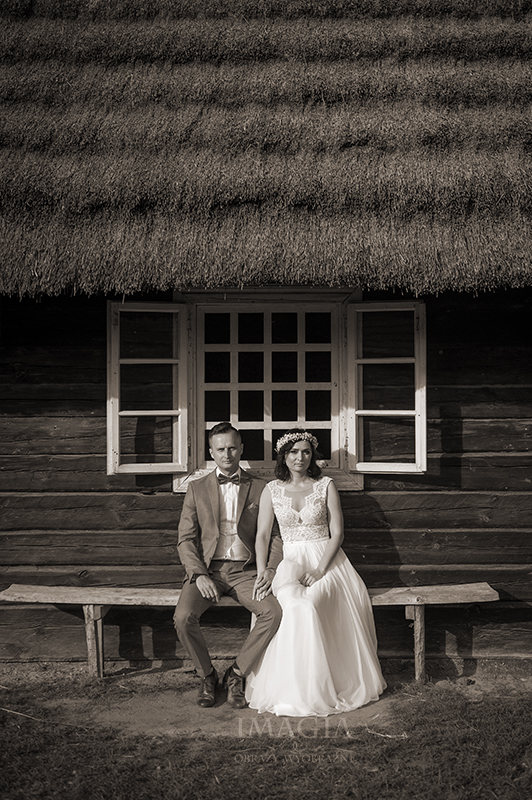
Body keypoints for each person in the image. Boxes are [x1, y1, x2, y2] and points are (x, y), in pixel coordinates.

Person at [245, 428, 386, 717]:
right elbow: (262, 535)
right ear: (284, 456)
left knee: (310, 605)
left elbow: (338, 533)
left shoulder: (326, 486)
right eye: (294, 452)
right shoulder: (271, 490)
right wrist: (262, 572)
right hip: (289, 562)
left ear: (313, 456)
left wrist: (320, 570)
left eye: (306, 452)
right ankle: (291, 689)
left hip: (326, 562)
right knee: (290, 606)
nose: (300, 458)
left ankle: (321, 686)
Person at [174, 422, 283, 709]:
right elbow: (185, 540)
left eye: (232, 448)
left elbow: (274, 536)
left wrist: (270, 569)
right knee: (183, 618)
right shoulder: (196, 488)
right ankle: (206, 675)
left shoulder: (261, 487)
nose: (227, 454)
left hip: (246, 571)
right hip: (208, 570)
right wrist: (198, 574)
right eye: (220, 449)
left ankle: (236, 673)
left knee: (272, 613)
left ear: (241, 449)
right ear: (211, 452)